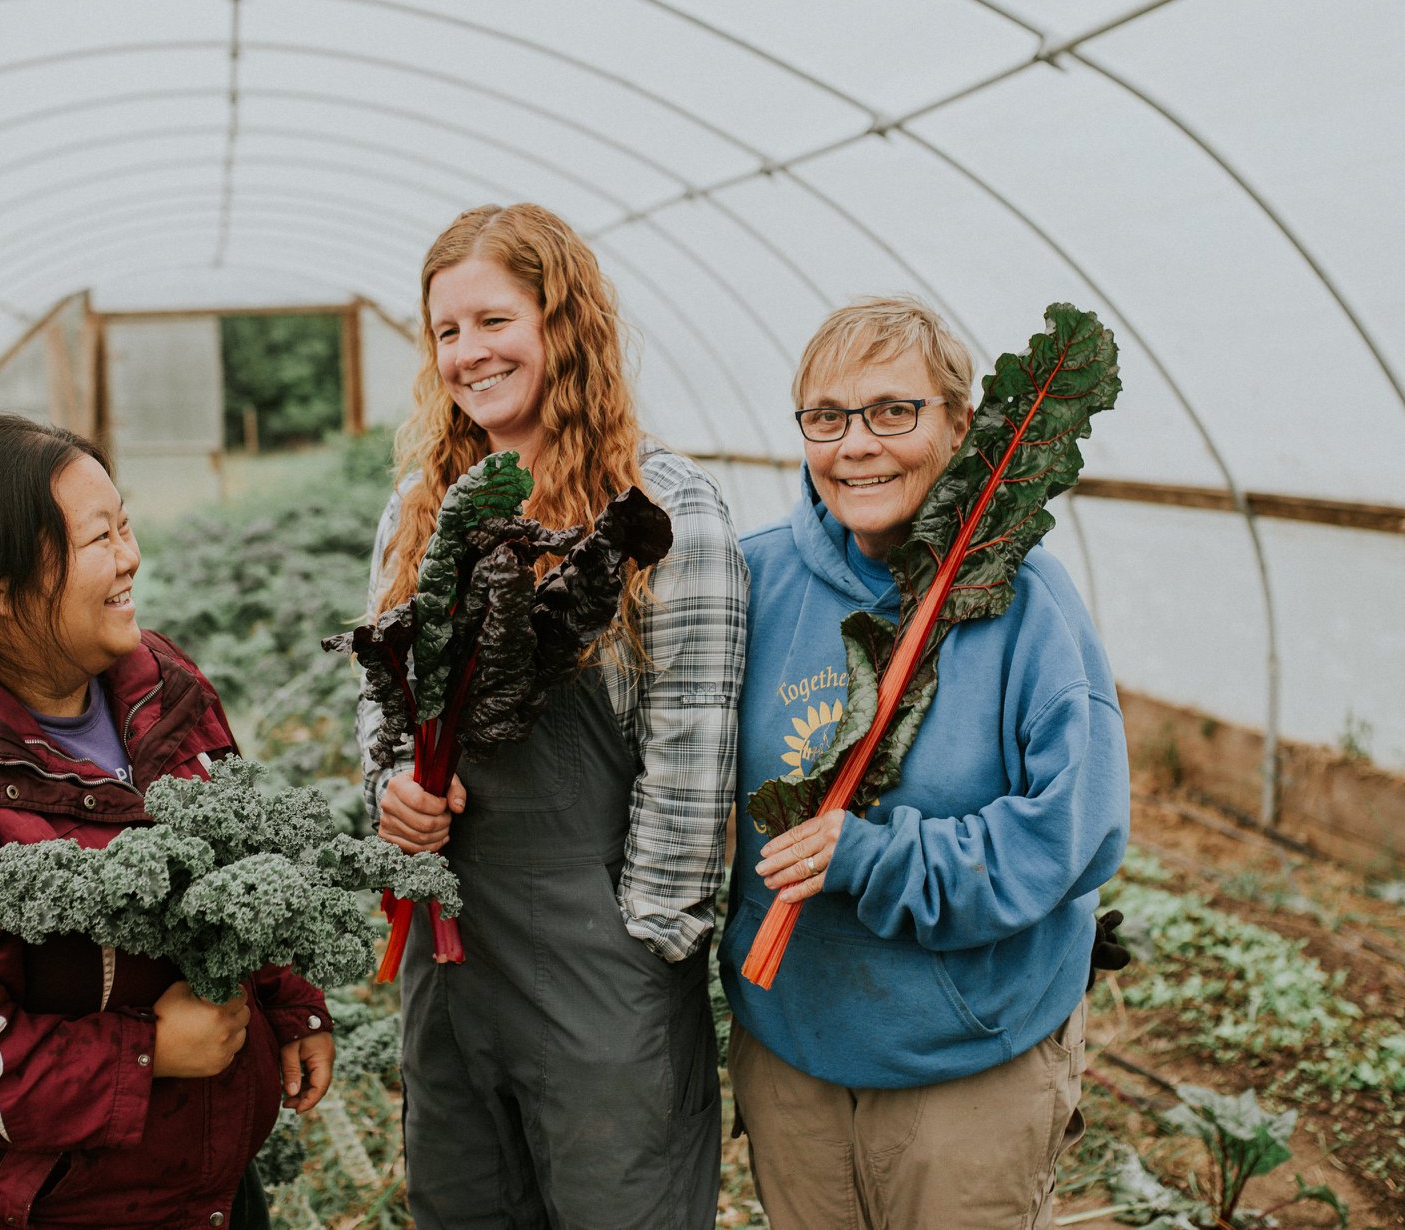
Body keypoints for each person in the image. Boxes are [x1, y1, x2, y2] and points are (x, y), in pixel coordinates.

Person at [0, 413, 335, 1230]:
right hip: (29, 1209)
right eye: (99, 539)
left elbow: (243, 854)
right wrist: (148, 1056)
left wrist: (288, 1000)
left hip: (195, 1187)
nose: (132, 557)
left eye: (126, 524)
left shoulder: (160, 683)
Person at [358, 203, 748, 1228]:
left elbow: (693, 750)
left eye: (493, 320)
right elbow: (383, 726)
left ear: (562, 322)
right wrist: (393, 799)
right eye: (446, 331)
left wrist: (644, 945)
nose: (468, 353)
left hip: (600, 961)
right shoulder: (418, 510)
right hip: (450, 952)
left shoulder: (665, 511)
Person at [719, 298, 1130, 1229]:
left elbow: (1076, 830)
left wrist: (872, 858)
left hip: (966, 1059)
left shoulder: (1027, 604)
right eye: (827, 417)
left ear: (959, 425)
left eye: (892, 411)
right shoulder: (750, 580)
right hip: (789, 1048)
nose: (856, 444)